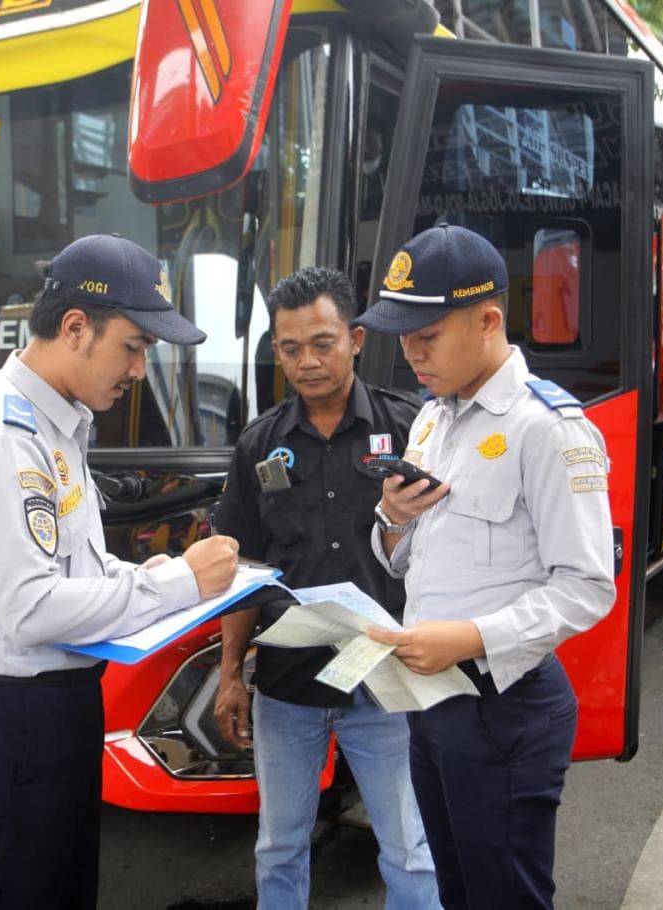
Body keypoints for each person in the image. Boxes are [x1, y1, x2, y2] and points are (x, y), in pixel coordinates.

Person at [0, 233, 241, 909]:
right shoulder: (2, 439)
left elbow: (68, 564)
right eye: (133, 346)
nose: (138, 369)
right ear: (75, 327)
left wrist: (141, 573)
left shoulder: (59, 425)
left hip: (54, 709)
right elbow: (32, 608)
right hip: (12, 720)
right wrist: (179, 582)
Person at [355, 224, 616, 910]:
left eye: (426, 335)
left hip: (505, 705)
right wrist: (394, 520)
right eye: (403, 335)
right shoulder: (434, 421)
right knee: (459, 893)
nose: (411, 353)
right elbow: (417, 558)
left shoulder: (548, 428)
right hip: (433, 701)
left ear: (489, 319)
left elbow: (588, 587)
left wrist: (468, 640)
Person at [211, 267, 440, 909]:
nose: (306, 361)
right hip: (288, 685)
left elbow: (448, 550)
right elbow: (242, 570)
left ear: (357, 339)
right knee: (279, 847)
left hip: (389, 682)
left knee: (409, 849)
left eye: (322, 343)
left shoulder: (413, 426)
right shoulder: (260, 445)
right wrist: (232, 672)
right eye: (289, 349)